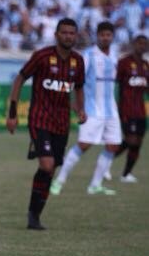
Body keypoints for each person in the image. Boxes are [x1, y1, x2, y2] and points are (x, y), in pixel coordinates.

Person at [6, 18, 86, 230]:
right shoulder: (42, 56)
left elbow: (78, 88)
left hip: (62, 123)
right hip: (39, 119)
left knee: (50, 170)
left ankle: (36, 215)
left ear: (75, 36)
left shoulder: (78, 61)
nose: (68, 36)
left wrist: (80, 109)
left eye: (72, 33)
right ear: (56, 35)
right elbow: (19, 79)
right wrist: (12, 113)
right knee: (47, 164)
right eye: (64, 32)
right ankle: (33, 214)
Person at [50, 21, 121, 196]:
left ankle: (95, 185)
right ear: (97, 36)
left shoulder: (115, 55)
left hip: (111, 110)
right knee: (84, 145)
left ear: (112, 37)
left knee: (113, 146)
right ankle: (59, 180)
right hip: (92, 109)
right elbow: (75, 80)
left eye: (108, 35)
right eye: (102, 34)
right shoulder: (88, 55)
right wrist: (77, 105)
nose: (106, 38)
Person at [113, 34, 148, 182]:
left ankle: (126, 174)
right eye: (139, 43)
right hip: (127, 109)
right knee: (131, 140)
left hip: (140, 110)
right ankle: (106, 161)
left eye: (145, 44)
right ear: (134, 44)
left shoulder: (146, 65)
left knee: (138, 143)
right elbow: (115, 83)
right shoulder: (124, 62)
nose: (142, 46)